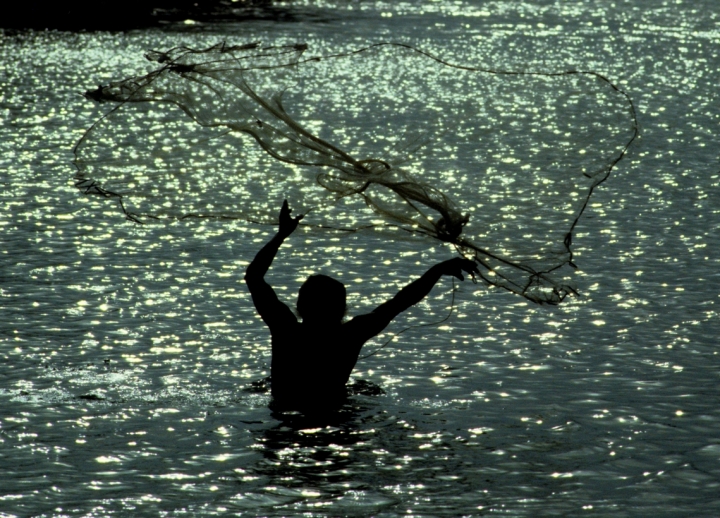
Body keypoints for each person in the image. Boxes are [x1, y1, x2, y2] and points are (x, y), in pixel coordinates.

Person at [245, 200, 479, 412]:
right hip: (335, 413)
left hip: (286, 414)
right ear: (342, 310)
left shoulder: (285, 329)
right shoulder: (350, 335)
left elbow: (254, 277)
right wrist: (437, 270)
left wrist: (281, 235)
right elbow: (401, 301)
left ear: (300, 306)